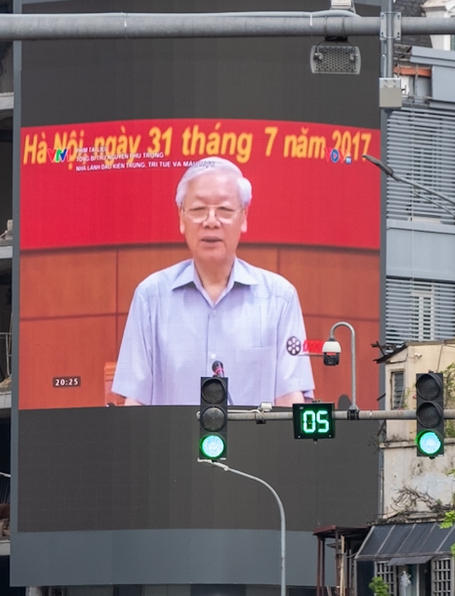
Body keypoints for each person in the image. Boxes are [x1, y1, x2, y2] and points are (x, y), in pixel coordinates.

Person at [109, 156, 315, 408]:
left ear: (244, 217)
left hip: (256, 446)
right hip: (171, 446)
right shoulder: (151, 297)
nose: (211, 221)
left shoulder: (279, 297)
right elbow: (135, 402)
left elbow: (289, 398)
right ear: (181, 217)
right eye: (198, 210)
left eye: (225, 210)